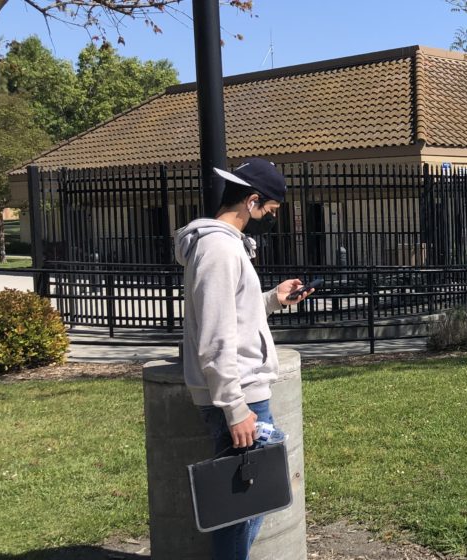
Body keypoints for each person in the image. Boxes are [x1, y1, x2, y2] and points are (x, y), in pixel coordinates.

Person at [173, 158, 312, 560]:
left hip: (244, 392)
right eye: (269, 211)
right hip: (240, 397)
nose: (269, 219)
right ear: (251, 201)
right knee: (240, 508)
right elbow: (215, 335)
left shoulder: (223, 247)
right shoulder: (218, 249)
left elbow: (232, 314)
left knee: (248, 503)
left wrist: (272, 299)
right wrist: (235, 408)